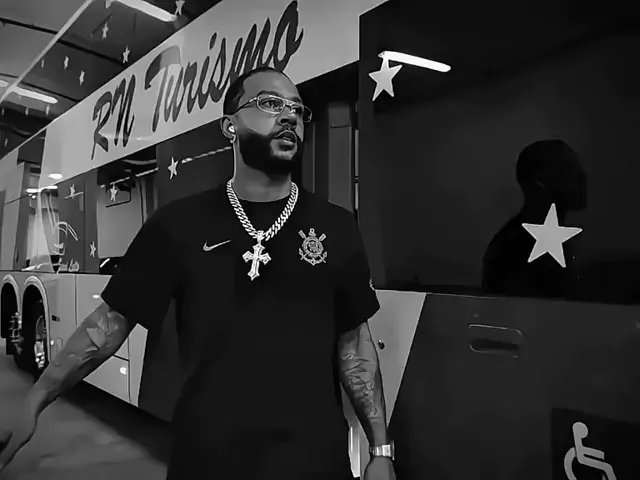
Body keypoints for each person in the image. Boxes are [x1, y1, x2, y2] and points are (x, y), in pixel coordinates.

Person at [0, 66, 397, 480]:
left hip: (315, 461)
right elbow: (107, 325)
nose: (289, 116)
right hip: (207, 460)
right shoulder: (178, 226)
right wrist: (35, 400)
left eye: (297, 109)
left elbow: (355, 344)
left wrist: (381, 450)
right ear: (229, 126)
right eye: (270, 103)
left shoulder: (337, 227)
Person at [482, 139, 587, 298]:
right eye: (569, 169)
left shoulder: (562, 245)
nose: (582, 177)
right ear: (540, 178)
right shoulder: (512, 250)